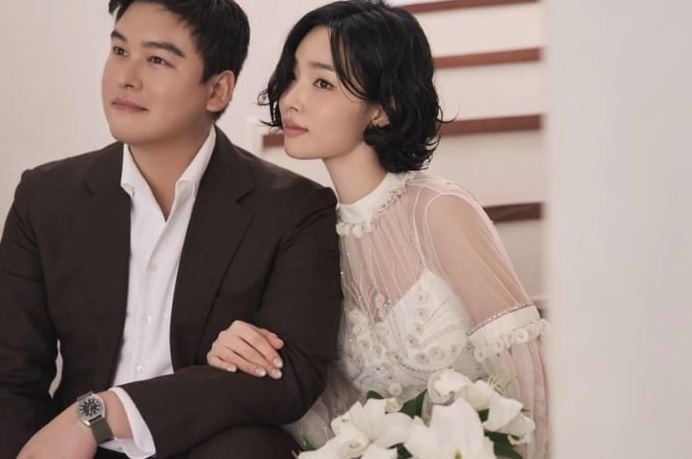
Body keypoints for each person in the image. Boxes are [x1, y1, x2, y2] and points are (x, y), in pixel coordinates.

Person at [206, 0, 549, 457]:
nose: (290, 98)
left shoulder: (439, 211)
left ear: (383, 109)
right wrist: (234, 350)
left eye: (322, 82)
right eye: (292, 76)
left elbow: (525, 377)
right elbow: (321, 405)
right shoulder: (312, 232)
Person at [0, 1, 343, 458]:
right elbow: (11, 376)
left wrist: (101, 412)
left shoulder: (294, 208)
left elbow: (292, 375)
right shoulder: (45, 196)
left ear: (217, 89)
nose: (126, 77)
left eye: (157, 59)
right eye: (120, 51)